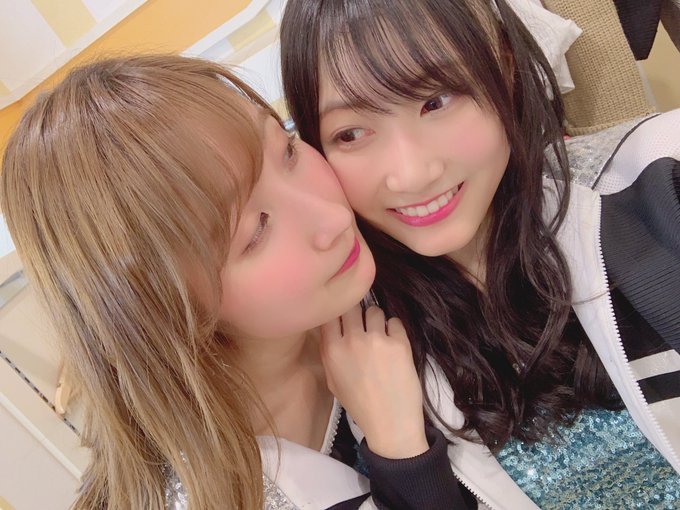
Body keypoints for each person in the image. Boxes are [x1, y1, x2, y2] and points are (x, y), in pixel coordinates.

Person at [0, 55, 466, 509]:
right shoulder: (207, 494)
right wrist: (405, 458)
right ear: (163, 303)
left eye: (287, 150)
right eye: (256, 230)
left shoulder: (403, 273)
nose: (334, 218)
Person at [280, 0, 680, 508]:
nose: (411, 174)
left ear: (505, 66)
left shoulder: (654, 185)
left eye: (436, 101)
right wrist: (402, 455)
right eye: (351, 133)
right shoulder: (353, 364)